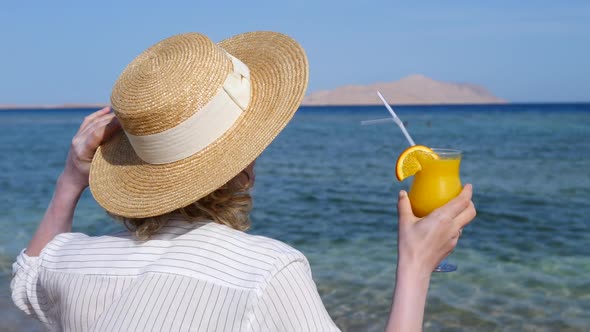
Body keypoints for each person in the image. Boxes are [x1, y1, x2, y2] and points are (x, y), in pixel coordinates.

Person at [11, 31, 476, 331]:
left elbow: (28, 277)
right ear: (244, 167)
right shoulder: (266, 271)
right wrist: (415, 265)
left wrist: (71, 180)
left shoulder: (72, 262)